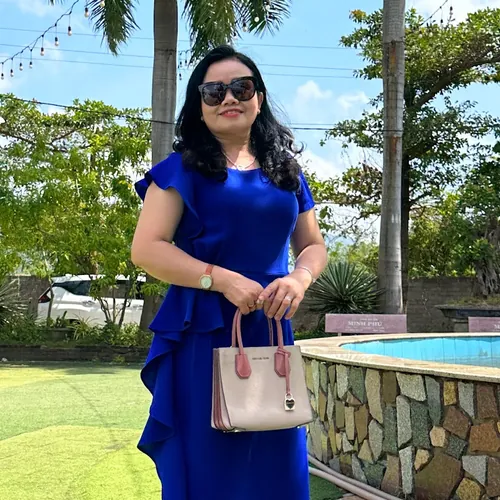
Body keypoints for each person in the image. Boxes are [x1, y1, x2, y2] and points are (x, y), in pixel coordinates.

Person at [131, 44, 327, 500]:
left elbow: (313, 246)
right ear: (199, 106)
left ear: (259, 98)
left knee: (278, 461)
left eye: (241, 87)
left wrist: (299, 279)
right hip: (204, 332)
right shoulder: (179, 171)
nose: (229, 98)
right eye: (214, 91)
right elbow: (147, 249)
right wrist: (220, 279)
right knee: (209, 462)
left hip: (271, 331)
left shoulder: (287, 173)